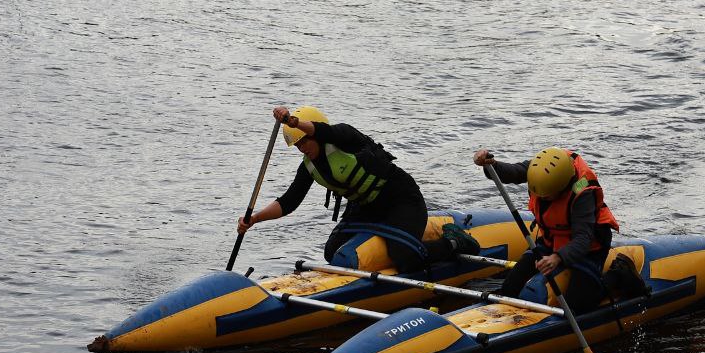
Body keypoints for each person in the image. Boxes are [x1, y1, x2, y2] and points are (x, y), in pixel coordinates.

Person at [239, 106, 479, 272]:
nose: (302, 148)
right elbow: (290, 201)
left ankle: (454, 243)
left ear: (315, 132)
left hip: (401, 200)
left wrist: (293, 121)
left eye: (304, 141)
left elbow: (327, 131)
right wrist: (255, 219)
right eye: (297, 144)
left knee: (405, 259)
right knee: (333, 252)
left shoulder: (344, 137)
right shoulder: (309, 167)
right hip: (365, 209)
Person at [473, 147, 637, 313]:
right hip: (552, 239)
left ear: (563, 186)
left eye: (547, 196)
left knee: (579, 305)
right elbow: (515, 172)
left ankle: (617, 276)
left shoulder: (582, 192)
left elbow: (583, 239)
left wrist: (558, 257)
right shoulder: (543, 169)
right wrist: (491, 164)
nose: (542, 199)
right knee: (510, 287)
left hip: (589, 248)